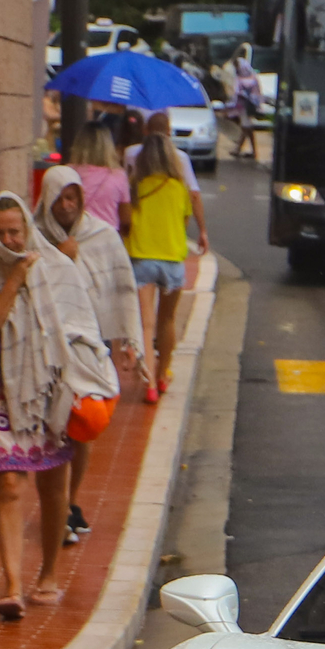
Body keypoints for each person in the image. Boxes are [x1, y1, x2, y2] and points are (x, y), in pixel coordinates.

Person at [0, 193, 115, 620]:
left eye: (16, 230)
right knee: (9, 484)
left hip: (51, 387)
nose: (10, 239)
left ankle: (48, 574)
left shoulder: (61, 271)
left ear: (28, 227)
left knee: (53, 487)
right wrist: (12, 281)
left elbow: (84, 331)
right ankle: (12, 586)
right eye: (1, 232)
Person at [36, 166, 145, 547]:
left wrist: (131, 340)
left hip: (90, 346)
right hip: (47, 350)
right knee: (54, 428)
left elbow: (120, 286)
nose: (66, 207)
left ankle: (69, 501)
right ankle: (57, 504)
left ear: (81, 200)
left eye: (72, 198)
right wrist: (62, 259)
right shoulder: (35, 240)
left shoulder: (101, 236)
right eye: (59, 199)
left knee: (82, 427)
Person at [127, 113, 207, 400]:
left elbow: (127, 221)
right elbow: (183, 223)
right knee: (167, 321)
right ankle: (163, 374)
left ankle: (149, 385)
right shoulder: (179, 188)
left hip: (142, 259)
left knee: (146, 325)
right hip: (173, 261)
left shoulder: (136, 187)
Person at [66, 121, 130, 235]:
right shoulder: (118, 176)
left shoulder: (68, 172)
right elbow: (126, 218)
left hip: (75, 236)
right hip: (107, 237)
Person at [226, 45, 263, 160]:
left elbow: (236, 94)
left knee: (247, 127)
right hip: (250, 106)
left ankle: (250, 151)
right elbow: (258, 93)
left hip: (244, 106)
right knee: (246, 128)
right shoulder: (253, 78)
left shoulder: (241, 80)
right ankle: (241, 149)